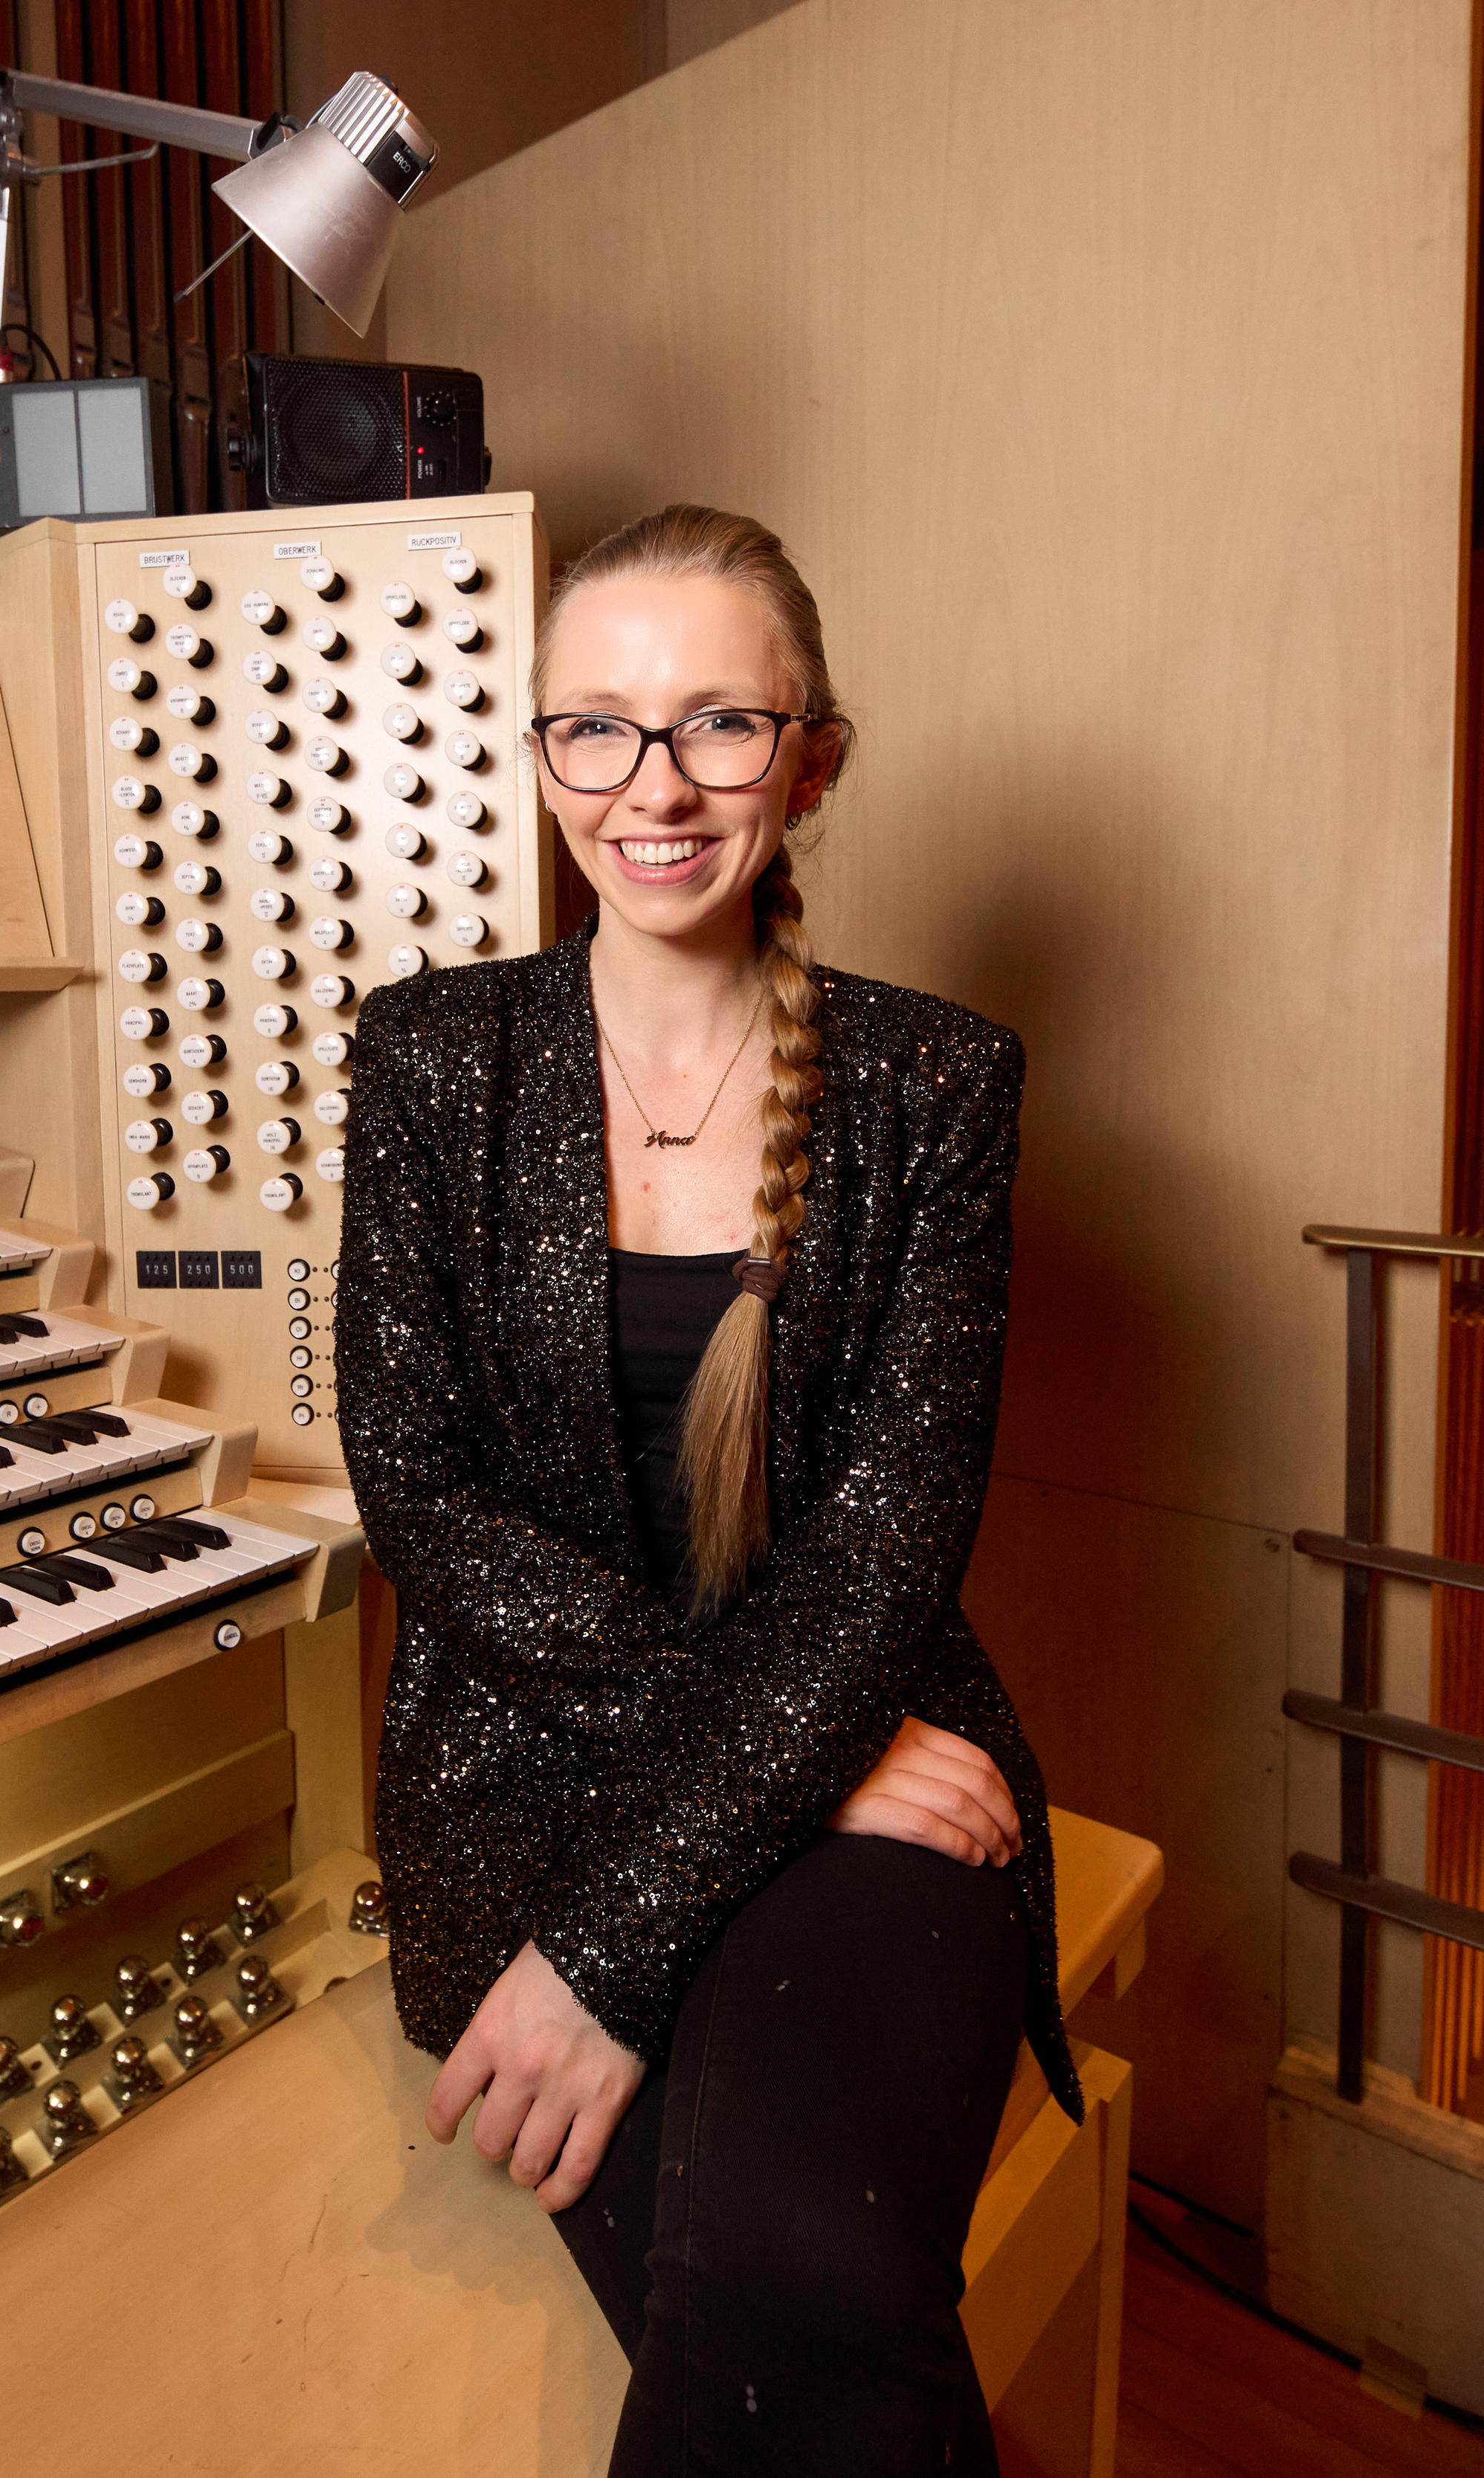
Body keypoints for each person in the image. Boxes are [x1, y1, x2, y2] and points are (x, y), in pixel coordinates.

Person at [335, 504, 1081, 2473]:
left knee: (811, 2280)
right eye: (598, 728)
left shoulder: (937, 1086)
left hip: (877, 1734)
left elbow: (889, 1541)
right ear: (542, 756)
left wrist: (656, 1914)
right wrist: (765, 1781)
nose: (652, 789)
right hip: (534, 1772)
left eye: (719, 726)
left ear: (813, 756)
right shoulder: (432, 1059)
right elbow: (419, 1494)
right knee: (753, 2292)